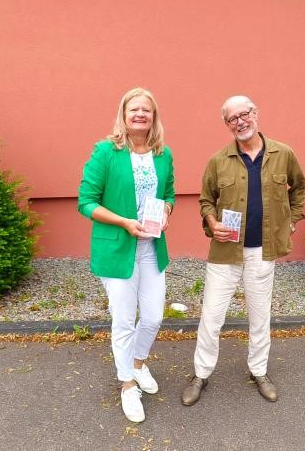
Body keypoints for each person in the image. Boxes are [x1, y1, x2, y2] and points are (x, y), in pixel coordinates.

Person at [182, 95, 305, 406]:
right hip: (225, 253)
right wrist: (212, 221)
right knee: (211, 317)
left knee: (260, 316)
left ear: (256, 113)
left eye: (244, 114)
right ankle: (201, 374)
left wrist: (292, 219)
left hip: (262, 252)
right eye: (231, 118)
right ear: (226, 124)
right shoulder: (218, 161)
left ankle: (259, 371)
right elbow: (205, 200)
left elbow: (300, 187)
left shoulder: (284, 154)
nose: (240, 122)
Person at [78, 87, 176, 423]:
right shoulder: (106, 152)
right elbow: (86, 201)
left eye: (146, 110)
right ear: (123, 114)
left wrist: (165, 210)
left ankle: (138, 362)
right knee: (123, 321)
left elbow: (169, 194)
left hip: (151, 248)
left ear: (154, 117)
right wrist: (124, 221)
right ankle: (127, 385)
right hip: (117, 249)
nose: (140, 115)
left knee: (152, 317)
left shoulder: (163, 154)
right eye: (134, 109)